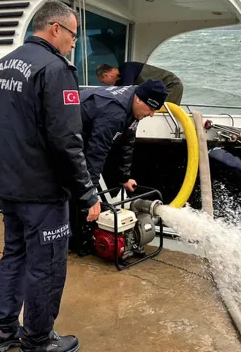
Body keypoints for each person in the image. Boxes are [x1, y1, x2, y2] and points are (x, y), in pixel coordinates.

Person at [0, 0, 101, 352]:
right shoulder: (56, 70)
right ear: (55, 29)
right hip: (42, 189)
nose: (74, 43)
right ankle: (37, 338)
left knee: (15, 254)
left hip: (7, 182)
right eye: (73, 35)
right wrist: (87, 192)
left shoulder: (0, 66)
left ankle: (2, 329)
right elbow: (67, 140)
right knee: (47, 264)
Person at [69, 80, 168, 253]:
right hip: (65, 134)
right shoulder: (114, 112)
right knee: (73, 187)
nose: (152, 114)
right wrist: (90, 196)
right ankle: (73, 239)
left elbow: (127, 142)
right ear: (138, 99)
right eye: (151, 109)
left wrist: (124, 178)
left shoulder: (135, 105)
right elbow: (96, 153)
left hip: (86, 134)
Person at [96, 61, 184, 105]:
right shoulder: (120, 81)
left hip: (171, 84)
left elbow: (126, 92)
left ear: (106, 75)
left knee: (161, 109)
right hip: (160, 89)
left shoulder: (127, 68)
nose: (105, 84)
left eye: (103, 82)